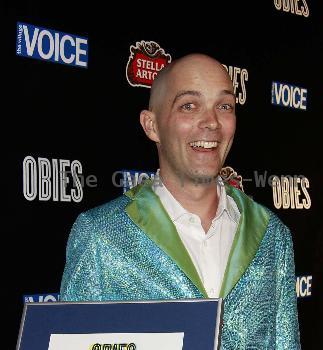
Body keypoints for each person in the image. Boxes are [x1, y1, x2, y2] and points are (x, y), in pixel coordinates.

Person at [60, 53, 301, 349]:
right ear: (152, 126)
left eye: (224, 106)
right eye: (189, 106)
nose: (211, 122)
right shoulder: (101, 235)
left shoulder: (271, 235)